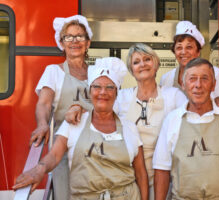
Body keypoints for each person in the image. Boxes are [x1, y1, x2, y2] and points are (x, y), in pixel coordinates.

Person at [13, 57, 149, 200]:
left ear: (116, 93)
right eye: (97, 87)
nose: (103, 92)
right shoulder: (74, 123)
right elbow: (54, 155)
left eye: (110, 87)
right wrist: (39, 170)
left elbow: (141, 174)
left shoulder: (129, 128)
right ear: (90, 92)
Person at [66, 43, 187, 200]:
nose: (142, 64)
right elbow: (98, 114)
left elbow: (191, 120)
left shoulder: (174, 96)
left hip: (166, 178)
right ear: (132, 70)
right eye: (136, 62)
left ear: (156, 64)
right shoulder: (122, 97)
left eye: (147, 59)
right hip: (128, 180)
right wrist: (77, 107)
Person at [153, 58, 219, 200]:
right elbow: (162, 169)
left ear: (214, 85)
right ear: (183, 85)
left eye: (204, 78)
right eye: (192, 79)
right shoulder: (172, 120)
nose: (198, 85)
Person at [28, 15, 93, 199]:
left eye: (80, 36)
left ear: (87, 43)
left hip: (96, 151)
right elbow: (44, 103)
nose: (74, 41)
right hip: (63, 153)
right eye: (69, 37)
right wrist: (42, 124)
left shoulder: (98, 72)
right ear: (62, 43)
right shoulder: (53, 71)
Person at [160, 20, 219, 108]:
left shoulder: (215, 73)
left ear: (198, 51)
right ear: (174, 51)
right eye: (179, 47)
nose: (183, 52)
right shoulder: (166, 79)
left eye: (189, 47)